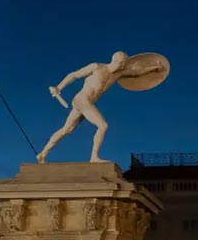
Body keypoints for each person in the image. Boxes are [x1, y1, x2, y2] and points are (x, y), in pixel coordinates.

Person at [37, 51, 165, 163]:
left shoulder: (118, 74)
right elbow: (74, 75)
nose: (121, 66)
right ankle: (94, 157)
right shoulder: (96, 67)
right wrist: (59, 87)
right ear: (114, 60)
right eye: (120, 63)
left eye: (123, 64)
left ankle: (43, 154)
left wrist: (154, 67)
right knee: (103, 126)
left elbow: (137, 72)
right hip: (82, 99)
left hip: (87, 103)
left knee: (67, 130)